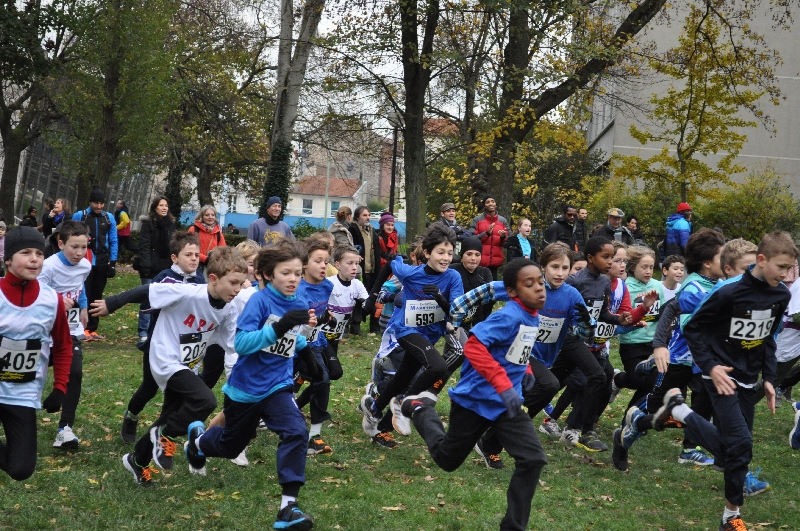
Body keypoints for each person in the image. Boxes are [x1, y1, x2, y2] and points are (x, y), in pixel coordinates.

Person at [617, 231, 796, 531]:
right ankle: (731, 517)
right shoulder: (727, 291)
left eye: (790, 268)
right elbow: (692, 326)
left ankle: (679, 413)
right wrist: (709, 366)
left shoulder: (781, 295)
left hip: (747, 377)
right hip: (716, 374)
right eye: (781, 267)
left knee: (738, 447)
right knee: (739, 444)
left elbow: (768, 337)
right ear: (762, 261)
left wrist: (768, 377)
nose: (787, 274)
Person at [399, 258, 547, 531]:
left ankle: (513, 527)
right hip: (475, 401)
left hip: (507, 405)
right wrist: (502, 384)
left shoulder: (532, 314)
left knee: (533, 459)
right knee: (447, 460)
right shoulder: (508, 315)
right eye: (530, 284)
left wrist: (525, 372)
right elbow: (475, 347)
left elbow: (517, 347)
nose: (539, 288)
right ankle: (419, 407)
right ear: (513, 292)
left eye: (540, 282)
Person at [185, 240, 320, 529]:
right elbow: (242, 344)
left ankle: (288, 508)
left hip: (278, 385)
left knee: (296, 431)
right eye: (286, 273)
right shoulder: (258, 301)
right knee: (230, 447)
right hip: (246, 389)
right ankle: (197, 442)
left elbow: (291, 337)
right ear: (267, 274)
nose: (293, 279)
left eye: (298, 272)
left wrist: (305, 350)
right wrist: (279, 328)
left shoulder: (298, 302)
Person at [91, 246, 246, 485]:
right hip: (165, 359)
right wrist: (112, 303)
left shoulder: (229, 308)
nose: (238, 290)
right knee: (206, 401)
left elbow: (235, 344)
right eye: (234, 283)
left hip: (187, 365)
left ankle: (138, 460)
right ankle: (164, 436)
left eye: (241, 284)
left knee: (170, 416)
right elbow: (147, 290)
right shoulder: (187, 292)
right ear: (213, 279)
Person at [358, 224, 463, 436]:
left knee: (402, 378)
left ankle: (375, 410)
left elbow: (456, 313)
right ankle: (402, 402)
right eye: (440, 252)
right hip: (406, 331)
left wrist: (440, 298)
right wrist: (372, 295)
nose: (445, 258)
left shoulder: (453, 277)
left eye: (450, 253)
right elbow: (389, 265)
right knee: (438, 367)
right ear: (427, 253)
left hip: (430, 336)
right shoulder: (410, 273)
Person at [116, 232, 205, 443]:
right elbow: (147, 301)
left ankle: (164, 434)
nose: (194, 259)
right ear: (175, 258)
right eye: (188, 254)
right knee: (149, 388)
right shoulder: (165, 277)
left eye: (197, 254)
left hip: (185, 345)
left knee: (176, 394)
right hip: (158, 344)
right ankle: (132, 416)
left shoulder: (200, 280)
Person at [0, 227, 73, 481]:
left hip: (22, 394)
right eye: (25, 253)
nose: (34, 259)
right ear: (7, 258)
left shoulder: (52, 300)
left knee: (21, 469)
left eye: (39, 253)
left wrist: (60, 388)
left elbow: (63, 346)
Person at [37, 221, 93, 450]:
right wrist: (59, 301)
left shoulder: (85, 265)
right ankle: (21, 418)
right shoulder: (48, 267)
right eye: (74, 247)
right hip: (43, 332)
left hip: (69, 330)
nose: (79, 253)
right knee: (32, 377)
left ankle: (65, 429)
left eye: (84, 247)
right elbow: (37, 292)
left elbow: (80, 287)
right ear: (61, 243)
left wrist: (83, 307)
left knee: (75, 373)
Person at [294, 239, 336, 455]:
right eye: (318, 261)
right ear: (304, 264)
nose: (323, 266)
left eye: (326, 261)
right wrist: (317, 319)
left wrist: (327, 319)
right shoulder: (297, 288)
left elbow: (323, 314)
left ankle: (314, 435)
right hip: (290, 344)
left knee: (324, 380)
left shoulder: (328, 286)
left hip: (313, 342)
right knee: (273, 387)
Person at [72, 188, 118, 341]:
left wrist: (113, 261)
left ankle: (92, 328)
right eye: (95, 203)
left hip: (102, 261)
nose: (98, 206)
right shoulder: (80, 216)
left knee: (97, 295)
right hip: (84, 261)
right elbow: (70, 236)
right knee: (84, 293)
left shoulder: (109, 218)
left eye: (101, 203)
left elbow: (113, 240)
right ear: (90, 202)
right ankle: (80, 326)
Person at [136, 196, 176, 342]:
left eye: (166, 205)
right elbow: (144, 245)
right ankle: (143, 331)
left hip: (166, 266)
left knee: (164, 299)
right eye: (161, 205)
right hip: (150, 266)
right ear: (155, 207)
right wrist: (145, 265)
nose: (164, 208)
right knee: (148, 299)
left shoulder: (171, 224)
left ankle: (160, 329)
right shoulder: (148, 224)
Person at [348, 205, 380, 334]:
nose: (368, 218)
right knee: (358, 299)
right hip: (360, 269)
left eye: (369, 215)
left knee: (372, 297)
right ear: (357, 217)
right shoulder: (353, 230)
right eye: (364, 215)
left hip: (372, 269)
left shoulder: (372, 230)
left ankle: (374, 326)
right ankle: (355, 326)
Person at [469, 195, 509, 279]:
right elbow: (472, 239)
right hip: (480, 262)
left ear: (496, 204)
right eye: (487, 202)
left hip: (495, 262)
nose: (490, 204)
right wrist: (486, 234)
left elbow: (508, 241)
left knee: (492, 287)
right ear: (484, 205)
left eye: (492, 201)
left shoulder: (503, 221)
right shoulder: (477, 220)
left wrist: (503, 237)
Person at [188, 205, 227, 276]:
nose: (210, 217)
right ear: (201, 216)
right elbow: (189, 249)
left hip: (212, 266)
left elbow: (223, 251)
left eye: (212, 215)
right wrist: (205, 259)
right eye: (207, 215)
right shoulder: (193, 229)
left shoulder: (218, 233)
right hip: (195, 264)